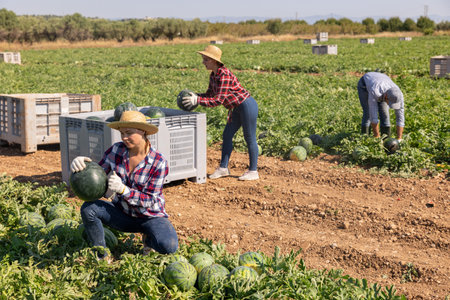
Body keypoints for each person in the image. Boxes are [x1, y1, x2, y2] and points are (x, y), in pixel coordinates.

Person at [70, 110, 178, 260]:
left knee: (169, 246)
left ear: (143, 132)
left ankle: (149, 238)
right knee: (89, 209)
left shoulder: (159, 162)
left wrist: (123, 189)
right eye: (122, 133)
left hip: (150, 216)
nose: (124, 138)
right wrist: (83, 165)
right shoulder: (116, 150)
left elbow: (149, 200)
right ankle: (101, 255)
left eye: (129, 133)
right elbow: (98, 174)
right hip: (123, 214)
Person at [182, 45, 259, 181]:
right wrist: (195, 96)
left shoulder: (224, 75)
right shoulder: (214, 75)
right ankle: (223, 168)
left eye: (205, 60)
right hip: (235, 107)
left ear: (214, 60)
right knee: (227, 135)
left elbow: (218, 100)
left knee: (249, 137)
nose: (203, 62)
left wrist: (198, 101)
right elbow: (209, 94)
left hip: (246, 105)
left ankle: (253, 171)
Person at [357, 72, 404, 140]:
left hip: (382, 82)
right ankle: (365, 138)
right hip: (364, 85)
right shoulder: (375, 91)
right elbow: (373, 115)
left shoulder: (399, 95)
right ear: (386, 97)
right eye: (390, 102)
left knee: (384, 114)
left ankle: (386, 139)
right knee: (368, 113)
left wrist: (399, 138)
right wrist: (377, 137)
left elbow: (400, 117)